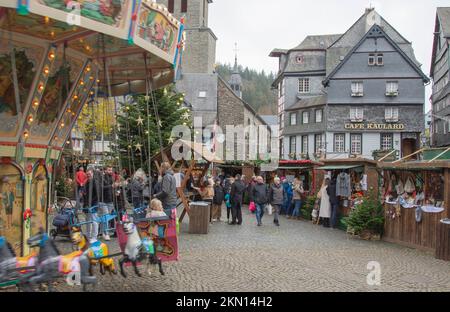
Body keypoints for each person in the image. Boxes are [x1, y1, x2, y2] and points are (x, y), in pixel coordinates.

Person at [83, 168, 100, 242]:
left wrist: (92, 204)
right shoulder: (86, 182)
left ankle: (94, 236)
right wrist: (85, 204)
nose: (88, 175)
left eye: (89, 174)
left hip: (94, 204)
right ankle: (88, 235)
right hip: (87, 204)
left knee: (94, 220)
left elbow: (97, 195)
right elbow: (85, 195)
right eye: (87, 174)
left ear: (92, 173)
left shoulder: (95, 182)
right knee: (87, 220)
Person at [98, 166, 114, 241]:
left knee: (104, 217)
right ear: (105, 170)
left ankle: (101, 232)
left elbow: (111, 189)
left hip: (110, 200)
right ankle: (106, 233)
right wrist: (111, 186)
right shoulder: (102, 177)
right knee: (106, 217)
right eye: (109, 169)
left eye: (111, 170)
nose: (110, 171)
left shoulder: (112, 178)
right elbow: (101, 187)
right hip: (103, 200)